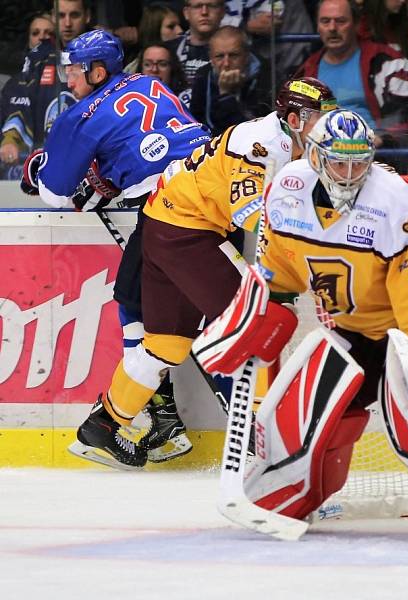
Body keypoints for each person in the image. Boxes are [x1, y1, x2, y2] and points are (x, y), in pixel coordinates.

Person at [193, 108, 408, 543]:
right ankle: (294, 496)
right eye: (340, 161)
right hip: (358, 324)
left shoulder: (391, 197)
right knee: (306, 411)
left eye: (360, 162)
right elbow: (276, 275)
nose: (351, 172)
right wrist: (252, 319)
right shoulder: (286, 189)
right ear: (316, 157)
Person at [68, 77, 337, 469]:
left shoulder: (295, 143)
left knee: (166, 344)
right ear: (294, 118)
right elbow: (252, 217)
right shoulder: (260, 145)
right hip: (185, 231)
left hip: (169, 223)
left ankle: (102, 428)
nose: (327, 123)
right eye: (319, 116)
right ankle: (262, 449)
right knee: (256, 323)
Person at [19, 29, 213, 468]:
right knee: (142, 303)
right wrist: (110, 175)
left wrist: (44, 170)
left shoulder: (81, 116)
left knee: (141, 306)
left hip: (174, 207)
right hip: (212, 183)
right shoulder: (151, 83)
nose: (68, 79)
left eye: (74, 70)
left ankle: (141, 417)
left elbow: (53, 193)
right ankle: (161, 418)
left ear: (98, 70)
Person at [295, 0, 408, 173]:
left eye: (341, 21)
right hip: (320, 166)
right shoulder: (307, 71)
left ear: (356, 24)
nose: (332, 28)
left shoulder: (387, 62)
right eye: (325, 21)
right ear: (318, 26)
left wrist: (382, 137)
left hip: (378, 163)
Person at [0, 0, 91, 169]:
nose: (68, 23)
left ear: (87, 16)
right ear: (53, 17)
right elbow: (20, 97)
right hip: (46, 162)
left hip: (90, 159)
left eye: (75, 15)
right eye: (61, 16)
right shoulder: (38, 57)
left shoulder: (100, 51)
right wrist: (11, 138)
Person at [189, 26, 272, 135]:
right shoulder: (203, 76)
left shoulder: (267, 75)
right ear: (211, 58)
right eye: (219, 56)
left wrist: (226, 95)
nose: (226, 63)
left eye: (233, 55)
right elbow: (196, 123)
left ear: (247, 55)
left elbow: (250, 131)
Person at [0, 12, 55, 173]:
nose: (42, 38)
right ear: (29, 40)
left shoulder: (70, 82)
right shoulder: (13, 84)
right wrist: (7, 141)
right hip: (15, 171)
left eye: (48, 33)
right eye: (35, 33)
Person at [167, 0, 226, 88]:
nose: (204, 12)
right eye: (198, 6)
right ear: (186, 13)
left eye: (212, 6)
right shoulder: (168, 50)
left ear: (222, 12)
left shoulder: (234, 52)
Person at [123, 4, 185, 73]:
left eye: (179, 25)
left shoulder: (184, 59)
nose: (180, 31)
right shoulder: (133, 71)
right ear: (155, 30)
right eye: (171, 27)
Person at [137, 43, 191, 108]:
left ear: (172, 69)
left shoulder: (184, 99)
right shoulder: (129, 97)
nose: (154, 70)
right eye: (148, 64)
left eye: (162, 64)